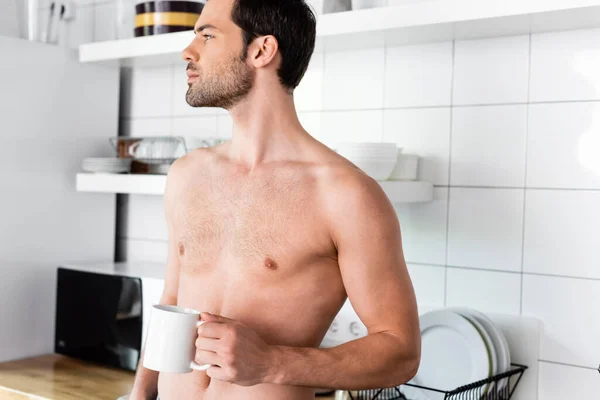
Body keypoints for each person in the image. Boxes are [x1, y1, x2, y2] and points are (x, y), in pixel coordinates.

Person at [129, 0, 421, 399]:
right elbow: (173, 301)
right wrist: (139, 393)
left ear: (261, 51)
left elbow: (400, 352)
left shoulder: (345, 194)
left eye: (207, 36)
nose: (188, 51)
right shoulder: (186, 175)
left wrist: (270, 362)